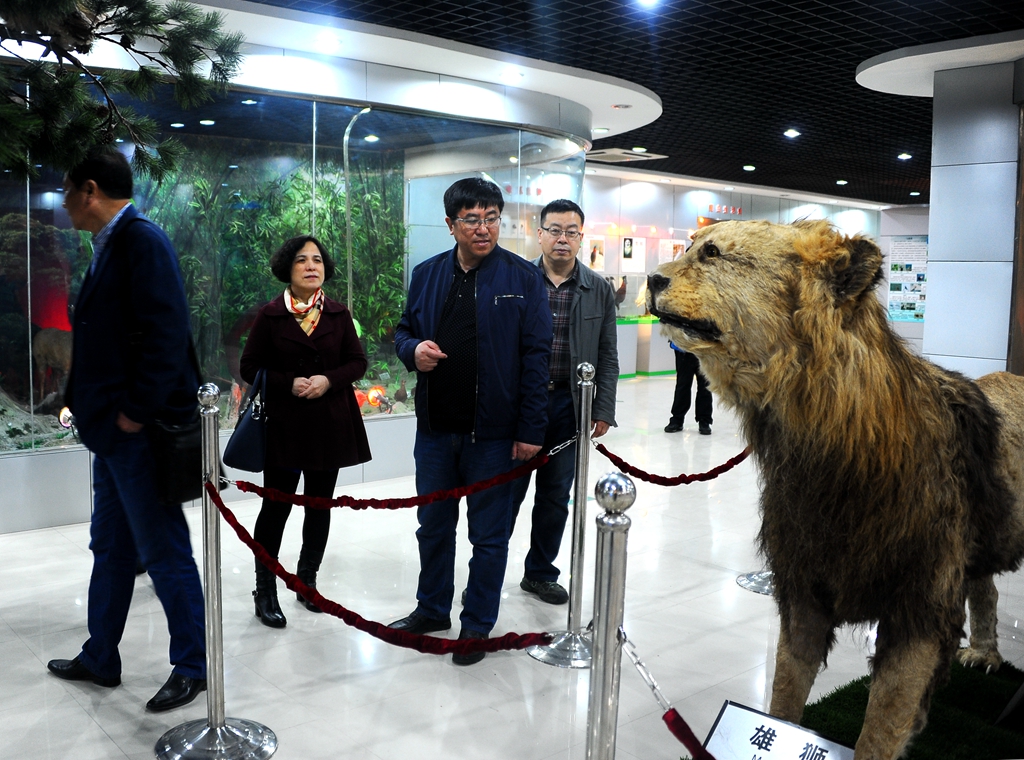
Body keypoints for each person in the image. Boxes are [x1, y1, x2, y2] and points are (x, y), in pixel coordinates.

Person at [47, 149, 207, 712]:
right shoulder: (110, 242)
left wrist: (135, 411)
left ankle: (193, 666)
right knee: (111, 546)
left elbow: (168, 334)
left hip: (138, 433)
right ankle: (101, 655)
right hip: (112, 434)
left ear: (90, 190)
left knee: (163, 548)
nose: (63, 203)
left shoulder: (142, 240)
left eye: (67, 191)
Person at [391, 177, 551, 665]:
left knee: (488, 536)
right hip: (436, 430)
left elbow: (537, 358)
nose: (484, 229)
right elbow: (403, 330)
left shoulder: (522, 278)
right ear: (450, 224)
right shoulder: (427, 274)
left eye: (492, 218)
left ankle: (477, 625)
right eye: (472, 219)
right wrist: (412, 350)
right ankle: (431, 609)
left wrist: (531, 430)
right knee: (433, 526)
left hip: (494, 436)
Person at [240, 235, 371, 628]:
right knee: (276, 507)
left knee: (319, 505)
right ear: (288, 268)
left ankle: (307, 581)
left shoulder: (338, 313)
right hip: (284, 426)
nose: (312, 266)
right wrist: (288, 382)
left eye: (317, 260)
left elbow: (357, 362)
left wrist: (329, 380)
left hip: (329, 424)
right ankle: (265, 590)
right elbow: (249, 367)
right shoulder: (270, 315)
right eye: (302, 260)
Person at [510, 199, 618, 605]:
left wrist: (602, 408)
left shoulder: (598, 289)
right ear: (539, 235)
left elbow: (608, 354)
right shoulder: (518, 280)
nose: (562, 239)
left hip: (570, 406)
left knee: (556, 496)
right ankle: (487, 573)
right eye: (554, 230)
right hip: (520, 405)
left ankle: (540, 573)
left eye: (571, 232)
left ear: (581, 237)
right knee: (505, 494)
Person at [665, 342, 712, 434]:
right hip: (683, 349)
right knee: (682, 385)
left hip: (705, 351)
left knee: (705, 387)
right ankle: (677, 419)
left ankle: (704, 421)